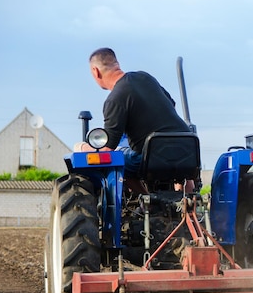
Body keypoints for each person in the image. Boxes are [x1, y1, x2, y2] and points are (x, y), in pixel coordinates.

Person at [80, 47, 192, 194]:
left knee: (119, 160)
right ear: (117, 64)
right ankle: (189, 203)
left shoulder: (114, 99)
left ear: (96, 71)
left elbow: (107, 149)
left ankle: (148, 202)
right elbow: (171, 103)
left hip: (152, 158)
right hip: (188, 148)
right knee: (184, 164)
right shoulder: (145, 77)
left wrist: (83, 147)